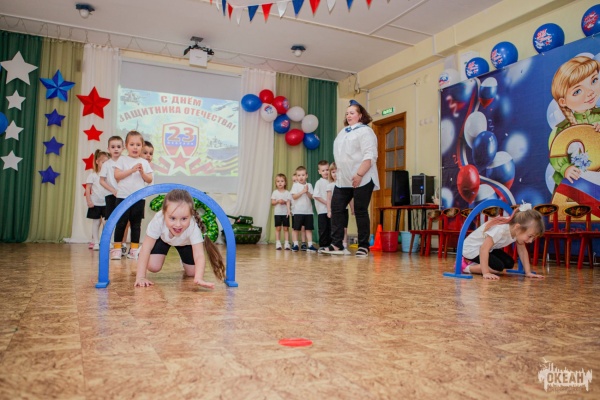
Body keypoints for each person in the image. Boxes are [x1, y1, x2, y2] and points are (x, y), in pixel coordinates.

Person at [134, 189, 225, 288]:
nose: (178, 225)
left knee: (192, 272)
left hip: (185, 244)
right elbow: (146, 248)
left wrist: (199, 278)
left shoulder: (193, 227)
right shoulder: (158, 220)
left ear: (191, 215)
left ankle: (184, 261)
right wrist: (140, 277)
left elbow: (199, 255)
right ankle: (138, 254)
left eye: (184, 219)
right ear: (164, 213)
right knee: (153, 266)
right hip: (163, 240)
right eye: (172, 218)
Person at [322, 100, 379, 258]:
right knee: (337, 208)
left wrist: (359, 174)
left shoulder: (366, 131)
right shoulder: (343, 132)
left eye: (352, 113)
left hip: (363, 177)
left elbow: (370, 155)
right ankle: (337, 244)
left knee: (360, 211)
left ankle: (363, 246)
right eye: (347, 113)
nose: (348, 115)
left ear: (360, 115)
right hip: (344, 179)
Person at [549, 56, 600, 186]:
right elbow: (556, 154)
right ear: (563, 101)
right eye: (577, 91)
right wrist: (565, 168)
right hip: (582, 184)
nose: (590, 92)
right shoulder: (562, 129)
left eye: (594, 80)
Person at [461, 204, 545, 280]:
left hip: (487, 248)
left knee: (509, 263)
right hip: (471, 249)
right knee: (498, 268)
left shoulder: (517, 230)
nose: (530, 241)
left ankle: (474, 263)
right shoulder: (500, 230)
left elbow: (523, 251)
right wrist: (486, 273)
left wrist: (528, 272)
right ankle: (466, 267)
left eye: (533, 238)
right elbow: (483, 249)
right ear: (517, 227)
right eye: (530, 236)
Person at [110, 131, 153, 260]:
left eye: (138, 145)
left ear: (142, 146)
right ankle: (117, 249)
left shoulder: (144, 162)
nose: (135, 147)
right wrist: (131, 170)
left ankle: (134, 249)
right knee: (121, 223)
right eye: (132, 144)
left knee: (136, 224)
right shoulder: (122, 159)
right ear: (126, 146)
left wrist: (142, 173)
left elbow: (149, 179)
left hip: (139, 198)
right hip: (123, 197)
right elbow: (117, 176)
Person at [99, 135, 129, 254]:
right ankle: (106, 242)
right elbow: (102, 180)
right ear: (108, 149)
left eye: (118, 147)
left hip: (124, 195)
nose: (116, 149)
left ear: (123, 148)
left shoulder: (126, 162)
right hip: (111, 195)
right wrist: (112, 190)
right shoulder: (106, 164)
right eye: (113, 147)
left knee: (123, 221)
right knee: (110, 220)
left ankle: (122, 244)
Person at [85, 150, 110, 250]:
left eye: (107, 163)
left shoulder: (108, 176)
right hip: (95, 203)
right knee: (96, 223)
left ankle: (105, 241)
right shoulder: (93, 175)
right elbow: (88, 188)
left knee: (106, 223)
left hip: (106, 203)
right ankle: (95, 242)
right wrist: (89, 201)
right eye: (103, 162)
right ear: (97, 162)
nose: (105, 165)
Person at [326, 162, 353, 255]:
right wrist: (329, 210)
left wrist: (352, 208)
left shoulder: (345, 186)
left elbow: (350, 199)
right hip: (335, 211)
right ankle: (336, 245)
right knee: (337, 228)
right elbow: (329, 199)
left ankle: (344, 246)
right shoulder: (330, 185)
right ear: (330, 174)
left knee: (344, 228)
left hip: (344, 210)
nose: (335, 174)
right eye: (333, 172)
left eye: (337, 172)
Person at [290, 166, 316, 252]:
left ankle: (310, 245)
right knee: (296, 229)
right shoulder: (295, 185)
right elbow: (294, 197)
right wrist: (302, 192)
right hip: (298, 212)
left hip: (308, 212)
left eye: (303, 175)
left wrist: (307, 191)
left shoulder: (309, 185)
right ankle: (296, 245)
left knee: (308, 229)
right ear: (296, 177)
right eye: (299, 175)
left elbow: (311, 197)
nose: (301, 177)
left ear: (306, 175)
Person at [313, 160, 331, 250]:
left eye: (327, 170)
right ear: (319, 172)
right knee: (323, 228)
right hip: (322, 210)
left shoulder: (332, 182)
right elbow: (316, 196)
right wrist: (327, 203)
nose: (325, 172)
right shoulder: (319, 182)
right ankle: (323, 246)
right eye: (323, 170)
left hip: (331, 210)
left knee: (331, 228)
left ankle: (331, 246)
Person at [271, 173, 292, 250]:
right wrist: (277, 201)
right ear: (276, 183)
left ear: (285, 183)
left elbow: (289, 202)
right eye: (278, 181)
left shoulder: (287, 193)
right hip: (277, 213)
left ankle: (286, 243)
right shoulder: (275, 192)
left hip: (285, 213)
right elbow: (272, 202)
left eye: (282, 181)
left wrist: (285, 202)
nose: (280, 183)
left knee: (286, 228)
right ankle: (278, 243)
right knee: (278, 228)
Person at [291, 171, 307, 250]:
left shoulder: (303, 189)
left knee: (303, 228)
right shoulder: (292, 191)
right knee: (295, 228)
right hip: (294, 212)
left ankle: (303, 243)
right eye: (294, 181)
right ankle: (294, 242)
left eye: (296, 181)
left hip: (302, 212)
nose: (295, 182)